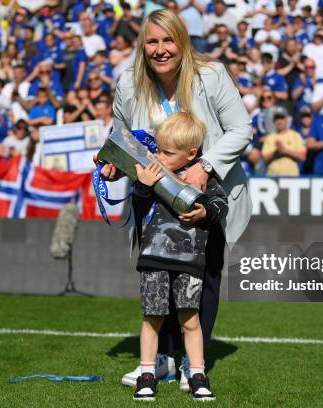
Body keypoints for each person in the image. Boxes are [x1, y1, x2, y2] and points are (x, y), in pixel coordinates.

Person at [102, 9, 252, 390]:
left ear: (182, 43)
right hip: (151, 198)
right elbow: (123, 138)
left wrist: (205, 165)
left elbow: (241, 129)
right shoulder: (128, 82)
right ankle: (162, 359)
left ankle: (191, 362)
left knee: (203, 274)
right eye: (152, 41)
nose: (160, 49)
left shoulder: (211, 75)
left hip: (207, 192)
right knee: (157, 273)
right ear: (143, 45)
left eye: (168, 40)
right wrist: (114, 163)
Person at [131, 112, 225, 401]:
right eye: (158, 149)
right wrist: (143, 186)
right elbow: (138, 203)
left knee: (190, 319)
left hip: (190, 262)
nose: (159, 155)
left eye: (168, 152)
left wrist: (205, 211)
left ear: (192, 154)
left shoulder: (203, 176)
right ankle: (147, 373)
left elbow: (221, 204)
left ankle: (197, 372)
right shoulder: (150, 171)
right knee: (152, 317)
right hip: (154, 258)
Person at [261, 106, 307, 176]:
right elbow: (265, 159)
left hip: (292, 176)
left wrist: (285, 151)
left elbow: (302, 156)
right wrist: (276, 152)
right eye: (277, 118)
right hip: (273, 176)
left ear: (286, 120)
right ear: (273, 121)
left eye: (282, 118)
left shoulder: (295, 135)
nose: (279, 121)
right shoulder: (269, 138)